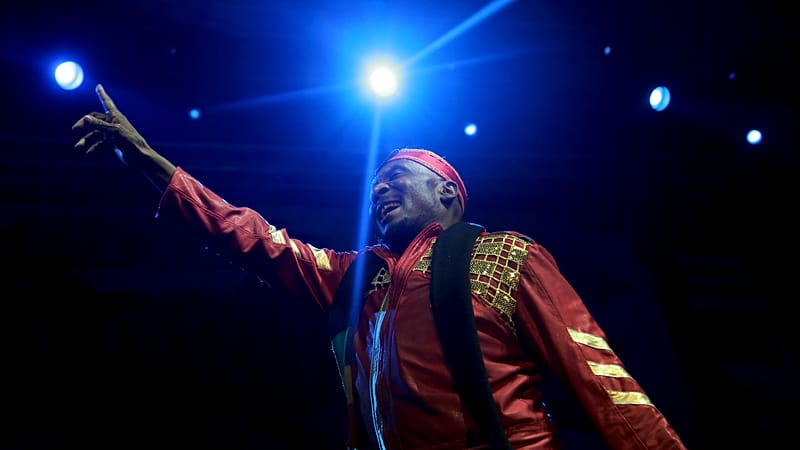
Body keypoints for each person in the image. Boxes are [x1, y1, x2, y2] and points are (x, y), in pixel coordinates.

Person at [72, 83, 687, 450]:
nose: (378, 190)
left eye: (395, 177)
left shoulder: (505, 255)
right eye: (374, 183)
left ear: (448, 192)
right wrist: (150, 161)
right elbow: (250, 237)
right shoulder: (358, 276)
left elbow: (602, 379)